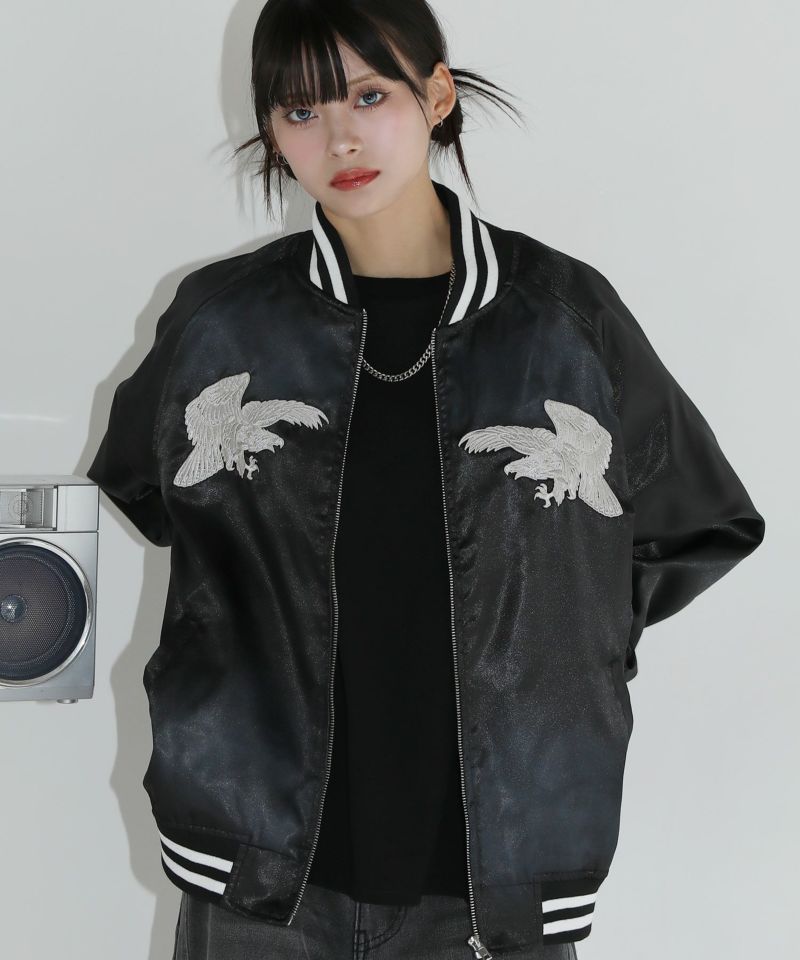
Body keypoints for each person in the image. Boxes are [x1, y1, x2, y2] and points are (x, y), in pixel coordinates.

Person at [85, 2, 765, 958]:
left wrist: (564, 640)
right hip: (259, 873)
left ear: (436, 95)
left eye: (369, 96)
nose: (340, 138)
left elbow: (699, 522)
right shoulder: (222, 321)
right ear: (273, 134)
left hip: (497, 879)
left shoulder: (561, 320)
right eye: (300, 111)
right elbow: (144, 487)